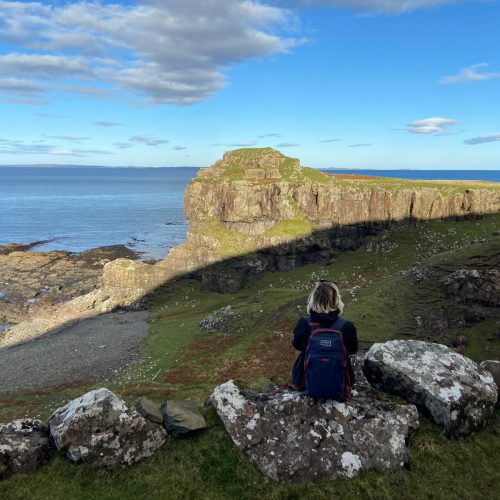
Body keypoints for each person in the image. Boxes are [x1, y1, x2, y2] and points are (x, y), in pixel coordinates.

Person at [291, 280, 358, 390]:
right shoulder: (346, 326)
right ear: (337, 300)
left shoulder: (304, 323)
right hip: (340, 381)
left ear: (314, 299)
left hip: (306, 381)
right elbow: (353, 349)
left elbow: (297, 344)